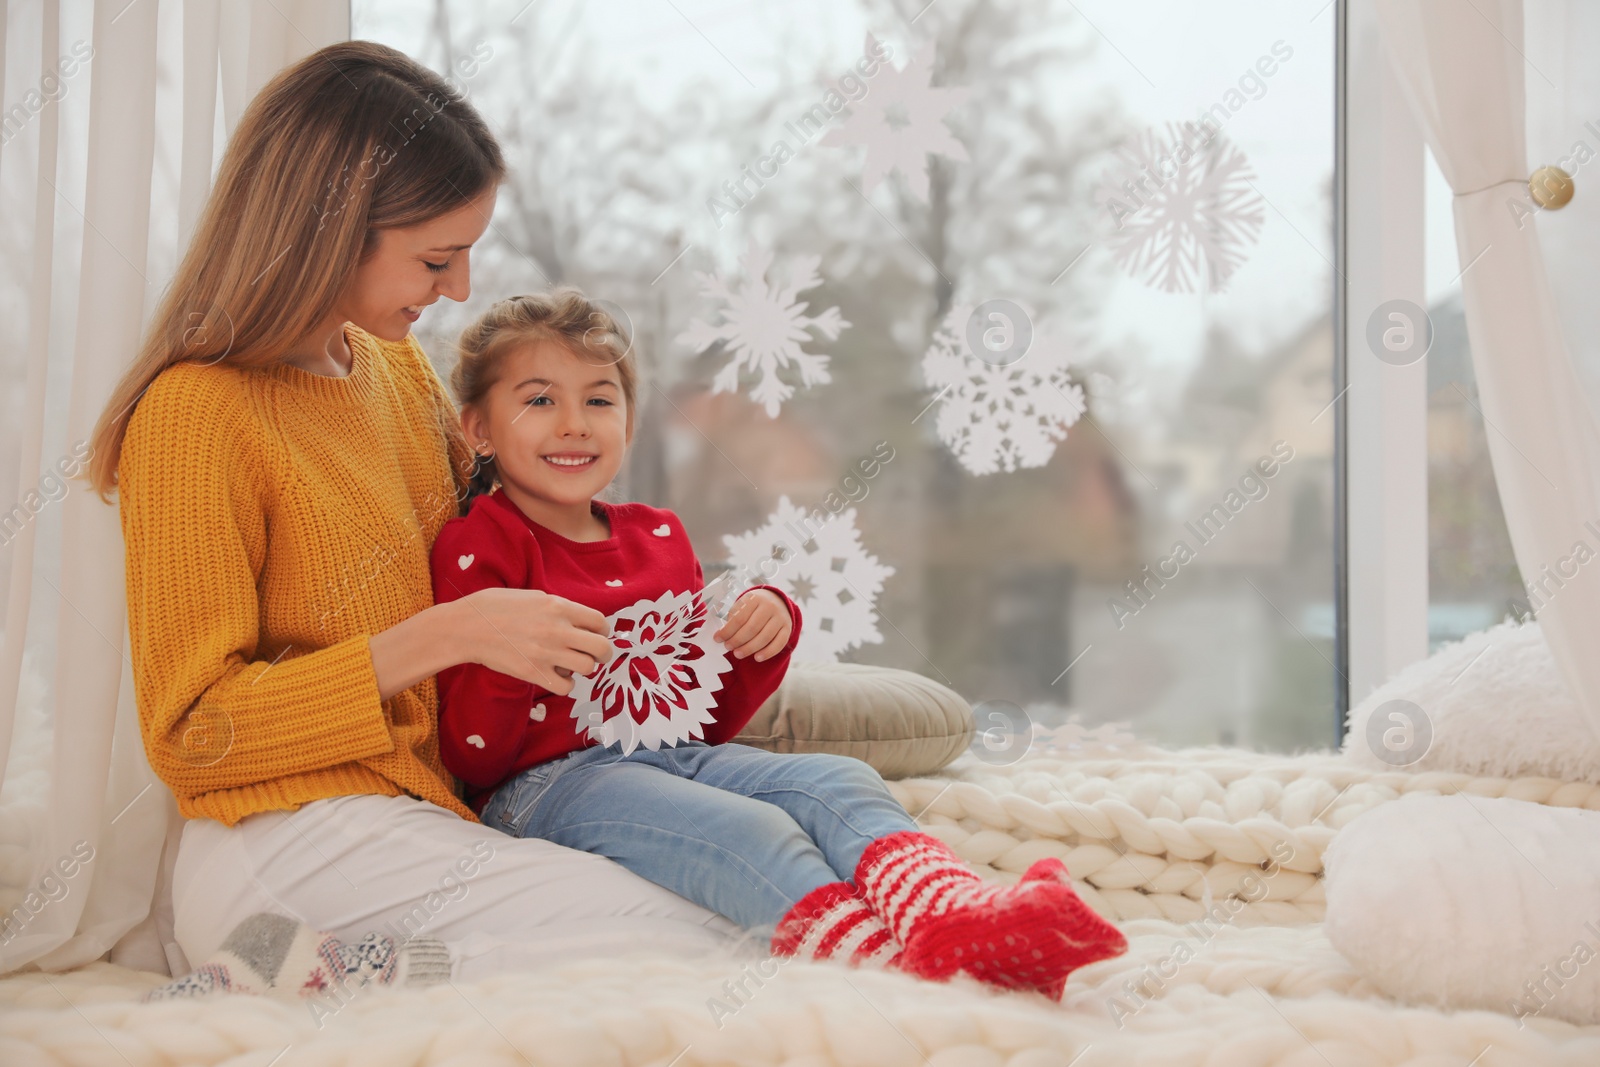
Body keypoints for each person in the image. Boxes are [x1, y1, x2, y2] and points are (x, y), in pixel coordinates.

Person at [87, 41, 747, 996]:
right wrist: (438, 637)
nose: (463, 290)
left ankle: (339, 978)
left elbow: (521, 539)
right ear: (327, 231)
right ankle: (279, 958)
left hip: (419, 813)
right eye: (437, 258)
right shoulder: (196, 412)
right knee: (693, 935)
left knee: (724, 888)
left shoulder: (394, 373)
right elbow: (192, 731)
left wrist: (695, 613)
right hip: (286, 833)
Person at [428, 288, 1127, 997]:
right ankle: (898, 970)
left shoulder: (657, 535)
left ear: (630, 421)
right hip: (545, 785)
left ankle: (960, 915)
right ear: (479, 428)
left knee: (841, 780)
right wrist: (517, 660)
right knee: (749, 831)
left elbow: (706, 716)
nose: (574, 424)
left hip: (676, 754)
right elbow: (469, 752)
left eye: (600, 401)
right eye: (539, 400)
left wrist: (765, 627)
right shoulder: (480, 545)